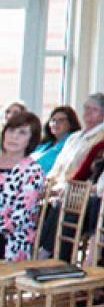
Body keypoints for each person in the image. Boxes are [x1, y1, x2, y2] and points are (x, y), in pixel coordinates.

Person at [0, 110, 45, 260]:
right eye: (11, 130)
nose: (14, 136)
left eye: (22, 133)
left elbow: (17, 219)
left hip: (9, 240)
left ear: (31, 140)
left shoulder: (33, 171)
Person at [46, 93, 104, 183]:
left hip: (74, 189)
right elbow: (57, 166)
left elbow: (87, 171)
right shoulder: (73, 137)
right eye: (87, 108)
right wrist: (48, 183)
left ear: (103, 115)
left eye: (94, 109)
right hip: (54, 187)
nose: (88, 112)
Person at [29, 105, 78, 175]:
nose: (55, 123)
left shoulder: (72, 144)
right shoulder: (44, 144)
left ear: (71, 123)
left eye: (61, 120)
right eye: (53, 120)